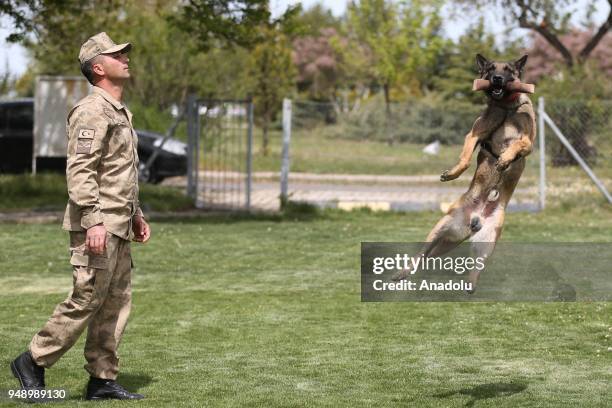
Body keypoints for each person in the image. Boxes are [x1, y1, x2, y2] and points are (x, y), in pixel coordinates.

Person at [10, 32, 150, 401]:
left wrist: (136, 214)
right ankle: (32, 361)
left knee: (115, 303)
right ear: (99, 67)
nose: (126, 58)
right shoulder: (91, 111)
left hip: (118, 223)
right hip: (98, 224)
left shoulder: (118, 110)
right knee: (86, 298)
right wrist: (94, 219)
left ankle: (102, 379)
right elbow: (82, 171)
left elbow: (118, 172)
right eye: (117, 54)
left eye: (125, 52)